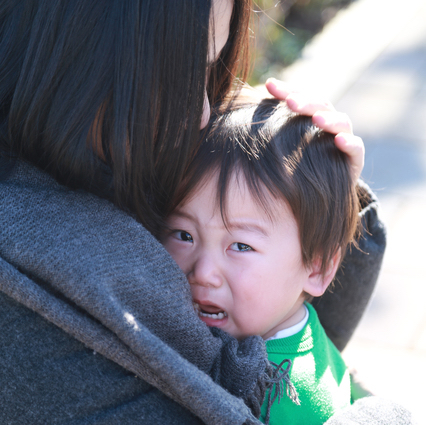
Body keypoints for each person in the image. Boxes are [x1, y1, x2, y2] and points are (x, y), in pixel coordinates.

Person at [0, 1, 402, 424]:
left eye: (206, 70)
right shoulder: (32, 288)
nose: (202, 113)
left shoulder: (102, 171)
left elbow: (300, 322)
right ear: (84, 53)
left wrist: (324, 196)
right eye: (176, 72)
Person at [161, 98, 360, 424]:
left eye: (240, 246)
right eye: (184, 235)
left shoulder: (280, 399)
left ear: (318, 268)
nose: (203, 273)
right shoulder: (288, 324)